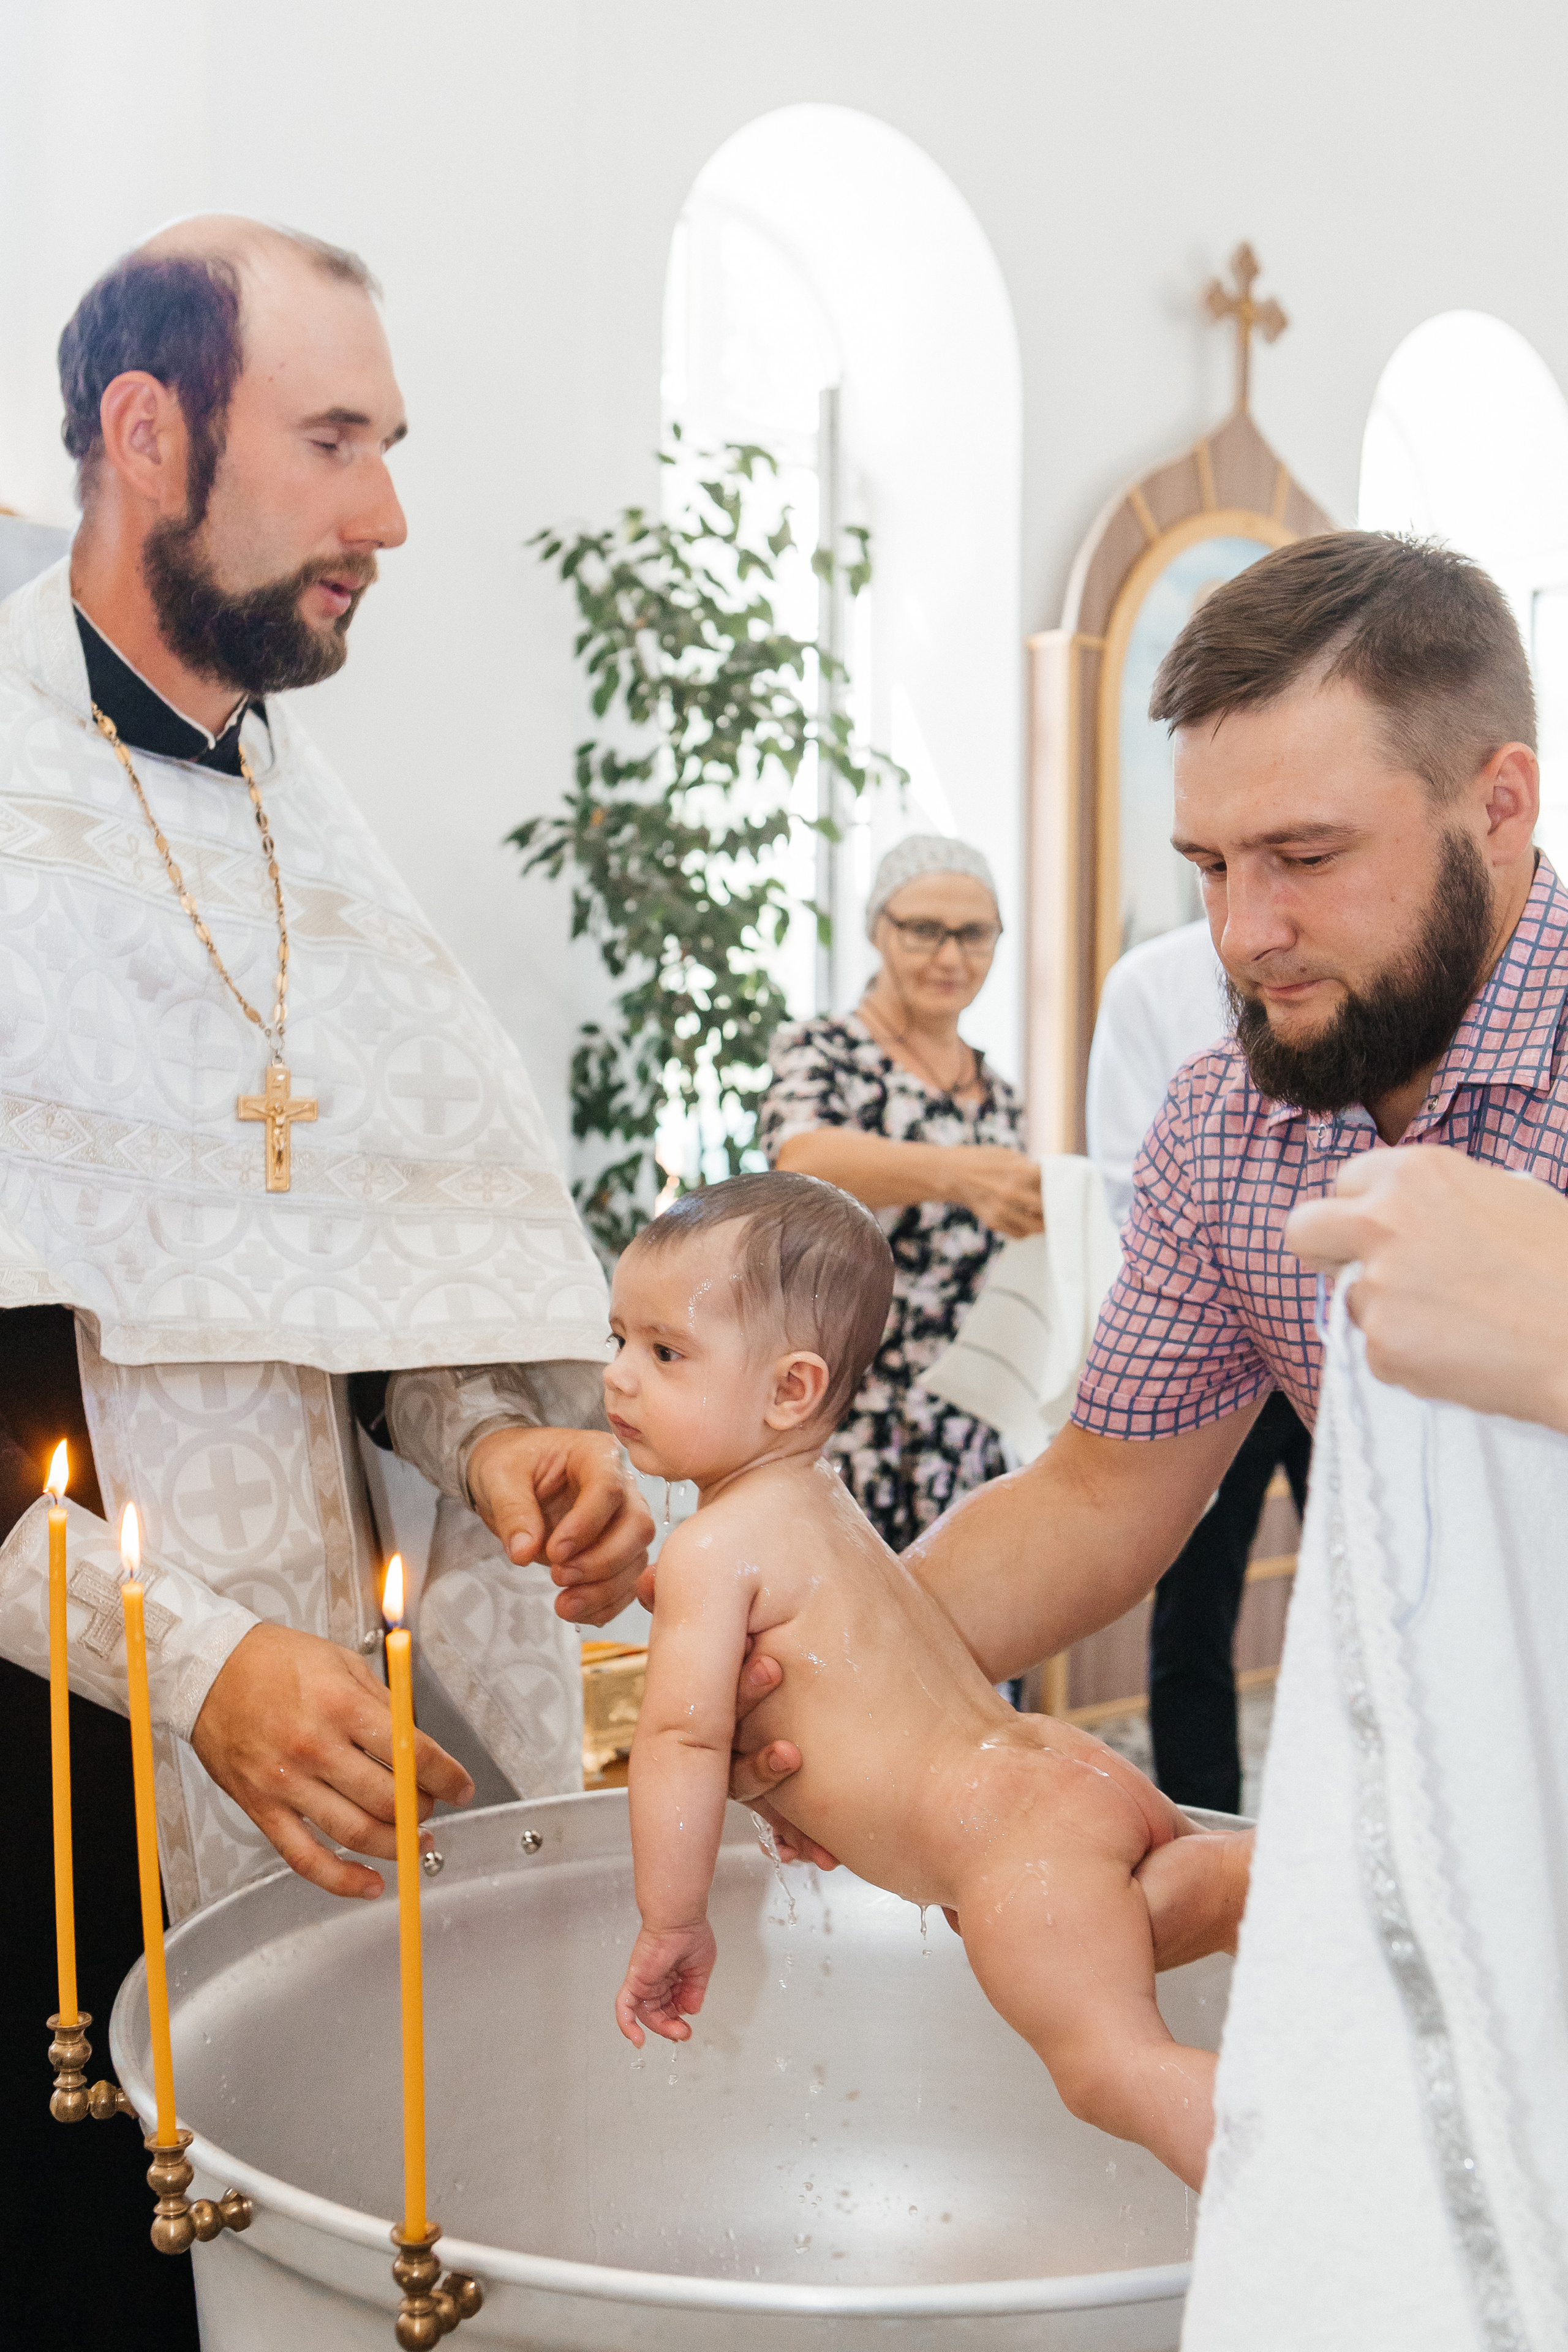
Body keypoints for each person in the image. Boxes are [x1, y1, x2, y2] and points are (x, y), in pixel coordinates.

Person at [0, 219, 650, 2348]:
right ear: (146, 433)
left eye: (391, 446)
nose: (388, 515)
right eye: (335, 440)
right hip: (49, 1779)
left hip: (339, 1768)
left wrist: (495, 1438)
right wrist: (194, 1665)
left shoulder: (312, 828)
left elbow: (353, 1299)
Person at [730, 530, 1563, 1963]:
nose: (1241, 933)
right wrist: (826, 1680)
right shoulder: (1227, 1116)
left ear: (1495, 804)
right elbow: (1097, 1493)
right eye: (1209, 866)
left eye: (1304, 858)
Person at [606, 1174, 1243, 2190]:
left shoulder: (711, 1550)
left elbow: (681, 1741)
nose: (620, 1379)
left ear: (791, 1390)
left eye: (665, 1352)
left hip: (1012, 1851)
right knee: (1225, 1931)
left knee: (1113, 2072)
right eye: (617, 1341)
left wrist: (672, 1920)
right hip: (1068, 1774)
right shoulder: (830, 1506)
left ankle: (1318, 2203)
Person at [758, 835, 1038, 1551]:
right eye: (923, 930)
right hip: (847, 1418)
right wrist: (958, 1174)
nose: (950, 957)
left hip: (965, 1428)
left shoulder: (998, 1094)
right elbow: (802, 1156)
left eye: (974, 934)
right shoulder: (823, 1050)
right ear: (876, 929)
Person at [1088, 919, 1311, 1815]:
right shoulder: (1149, 982)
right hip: (1212, 1340)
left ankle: (1333, 1820)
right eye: (1213, 863)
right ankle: (1202, 1815)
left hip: (1349, 1335)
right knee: (1192, 1604)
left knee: (1364, 1596)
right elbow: (1122, 1176)